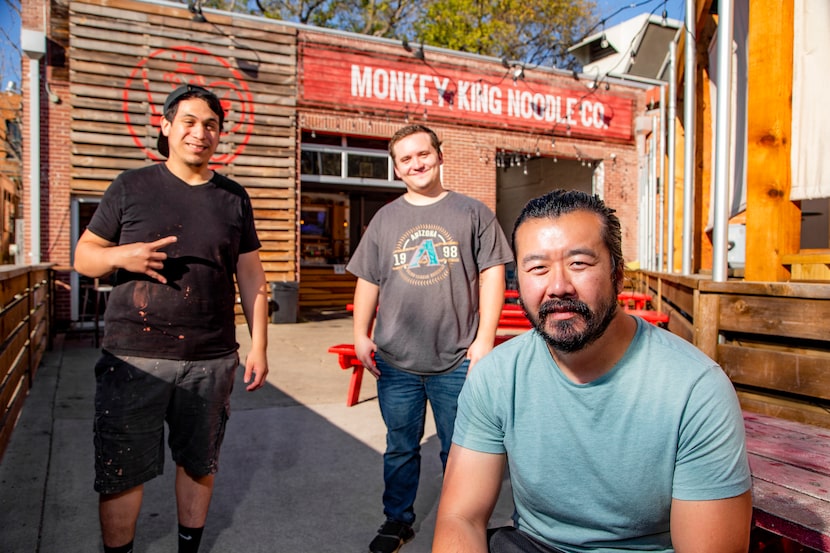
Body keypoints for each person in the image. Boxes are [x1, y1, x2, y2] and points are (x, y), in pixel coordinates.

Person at [433, 189, 753, 553]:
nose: (558, 287)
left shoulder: (694, 390)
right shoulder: (496, 376)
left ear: (618, 276)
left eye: (580, 264)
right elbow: (461, 518)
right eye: (537, 268)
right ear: (517, 282)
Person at [73, 84, 269, 553]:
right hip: (134, 357)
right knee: (122, 471)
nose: (200, 133)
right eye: (189, 122)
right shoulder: (131, 186)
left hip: (212, 357)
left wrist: (259, 345)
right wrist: (127, 256)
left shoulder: (233, 198)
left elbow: (252, 276)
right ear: (165, 126)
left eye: (211, 125)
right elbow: (84, 256)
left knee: (199, 463)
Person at [347, 124, 513, 553]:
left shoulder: (472, 212)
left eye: (423, 154)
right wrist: (360, 335)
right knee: (400, 447)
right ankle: (397, 521)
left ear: (440, 156)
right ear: (397, 168)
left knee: (460, 451)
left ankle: (462, 522)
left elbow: (493, 273)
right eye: (406, 158)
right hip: (395, 360)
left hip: (457, 358)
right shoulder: (386, 219)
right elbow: (368, 279)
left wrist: (485, 339)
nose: (416, 163)